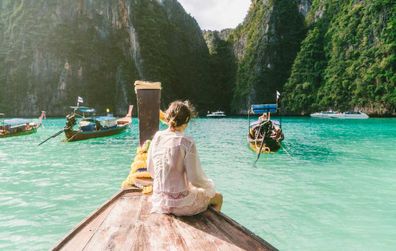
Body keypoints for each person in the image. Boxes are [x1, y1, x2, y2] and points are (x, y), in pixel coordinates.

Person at [147, 100, 223, 216]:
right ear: (186, 121)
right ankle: (210, 225)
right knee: (218, 197)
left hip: (159, 201)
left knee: (191, 189)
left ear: (168, 118)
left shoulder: (157, 137)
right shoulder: (186, 142)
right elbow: (195, 179)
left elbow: (151, 170)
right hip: (181, 205)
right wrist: (210, 187)